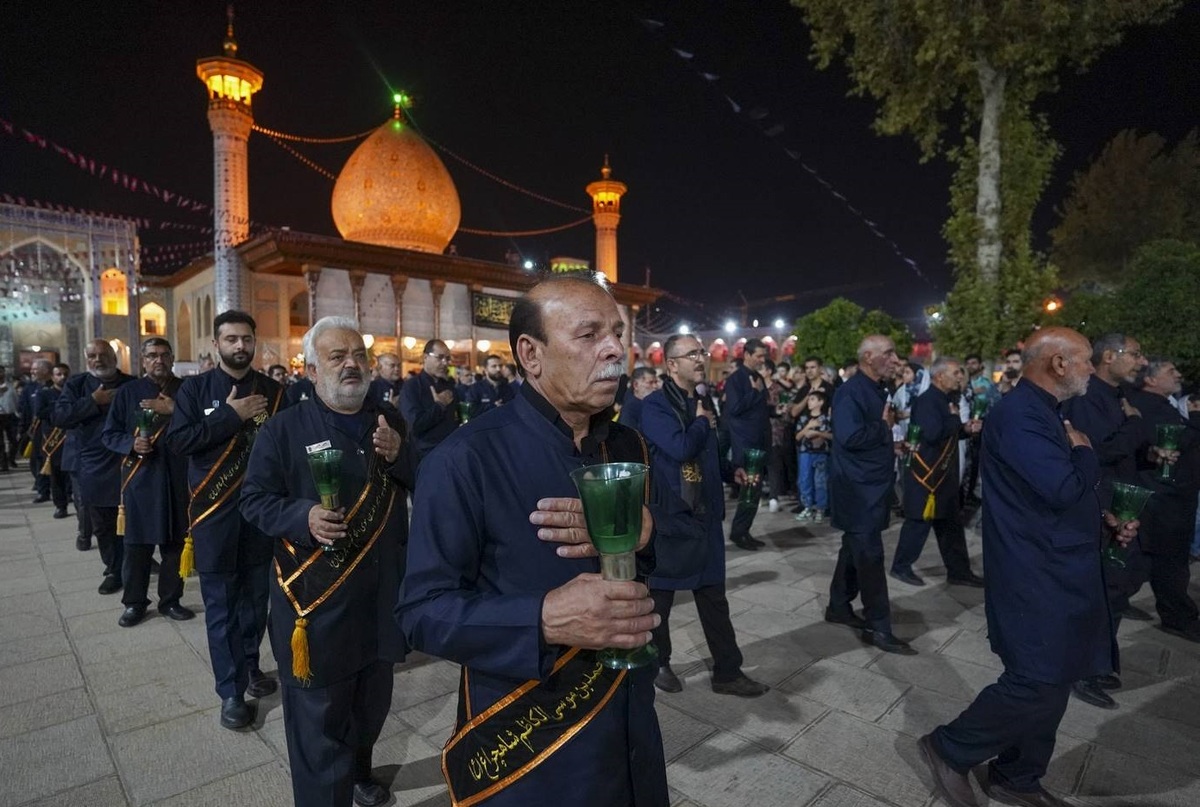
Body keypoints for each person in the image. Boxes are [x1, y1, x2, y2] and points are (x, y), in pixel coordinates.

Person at [399, 275, 698, 807]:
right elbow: (422, 611)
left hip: (632, 730)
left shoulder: (629, 446)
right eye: (588, 335)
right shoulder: (465, 459)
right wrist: (543, 618)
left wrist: (646, 530)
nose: (613, 349)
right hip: (530, 740)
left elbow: (687, 543)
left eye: (616, 333)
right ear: (530, 355)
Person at [918, 327, 1134, 807]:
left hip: (1062, 561)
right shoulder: (1020, 415)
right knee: (1036, 677)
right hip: (1035, 567)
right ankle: (949, 747)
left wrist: (1103, 519)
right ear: (1057, 363)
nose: (1089, 372)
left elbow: (1055, 494)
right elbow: (1059, 488)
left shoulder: (1047, 411)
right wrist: (1084, 453)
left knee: (1057, 674)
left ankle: (1017, 776)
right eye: (1082, 362)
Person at [242, 317, 416, 807]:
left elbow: (424, 480)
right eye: (337, 357)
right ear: (312, 370)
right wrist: (305, 516)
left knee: (372, 706)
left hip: (380, 599)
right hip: (317, 605)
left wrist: (401, 455)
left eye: (358, 354)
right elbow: (254, 501)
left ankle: (359, 769)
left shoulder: (390, 421)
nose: (352, 364)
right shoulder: (282, 429)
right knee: (319, 725)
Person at [165, 310, 285, 730]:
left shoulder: (274, 391)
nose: (240, 346)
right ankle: (230, 692)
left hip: (259, 515)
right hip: (214, 515)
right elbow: (179, 441)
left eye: (246, 339)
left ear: (255, 342)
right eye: (231, 339)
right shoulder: (195, 390)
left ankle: (250, 667)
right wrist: (230, 417)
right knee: (221, 608)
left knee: (255, 602)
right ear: (216, 344)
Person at [641, 333, 769, 699]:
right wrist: (700, 422)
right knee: (661, 597)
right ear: (671, 365)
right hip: (673, 516)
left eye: (702, 352)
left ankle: (727, 671)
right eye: (692, 354)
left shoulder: (701, 399)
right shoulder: (655, 406)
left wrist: (732, 472)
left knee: (714, 596)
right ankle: (658, 662)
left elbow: (707, 453)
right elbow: (681, 448)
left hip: (707, 515)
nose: (701, 358)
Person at [1060, 333, 1150, 708]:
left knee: (1119, 584)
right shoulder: (1087, 396)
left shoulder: (1116, 396)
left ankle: (1097, 662)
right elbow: (1101, 449)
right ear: (1109, 356)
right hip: (1101, 502)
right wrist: (1134, 425)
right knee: (1101, 587)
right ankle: (1082, 669)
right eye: (1135, 354)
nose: (1141, 362)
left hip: (1121, 500)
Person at [826, 335, 914, 654]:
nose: (895, 359)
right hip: (858, 490)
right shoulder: (851, 392)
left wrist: (889, 444)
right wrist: (884, 427)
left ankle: (838, 605)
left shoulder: (878, 389)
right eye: (888, 353)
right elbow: (849, 436)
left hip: (871, 485)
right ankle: (878, 626)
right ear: (868, 357)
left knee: (854, 548)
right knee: (871, 557)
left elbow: (866, 438)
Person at [101, 338, 194, 627]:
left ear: (173, 357)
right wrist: (131, 443)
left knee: (175, 546)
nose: (159, 360)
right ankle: (134, 603)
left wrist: (174, 409)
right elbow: (109, 433)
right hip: (141, 480)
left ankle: (170, 600)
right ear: (143, 361)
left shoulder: (187, 390)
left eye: (165, 355)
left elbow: (202, 427)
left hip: (178, 478)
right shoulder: (128, 392)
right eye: (152, 355)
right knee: (137, 548)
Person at [889, 357, 985, 588]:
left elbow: (947, 433)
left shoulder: (946, 399)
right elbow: (932, 434)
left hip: (944, 475)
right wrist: (955, 419)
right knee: (918, 523)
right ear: (939, 376)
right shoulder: (928, 401)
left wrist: (965, 429)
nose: (960, 377)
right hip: (928, 475)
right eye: (955, 373)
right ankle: (901, 566)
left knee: (950, 526)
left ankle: (959, 572)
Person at [1124, 359, 1200, 642]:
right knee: (1169, 562)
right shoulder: (1147, 405)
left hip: (1172, 495)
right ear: (1151, 380)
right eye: (1170, 371)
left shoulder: (1159, 403)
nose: (1178, 375)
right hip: (1165, 497)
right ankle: (1178, 617)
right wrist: (1195, 419)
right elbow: (1173, 441)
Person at [52, 340, 135, 594]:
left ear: (114, 356)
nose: (98, 359)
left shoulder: (132, 384)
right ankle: (113, 569)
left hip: (128, 460)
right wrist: (92, 401)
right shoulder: (77, 385)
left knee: (132, 519)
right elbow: (60, 417)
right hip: (94, 464)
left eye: (103, 354)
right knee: (103, 523)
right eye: (92, 355)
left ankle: (132, 564)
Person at [724, 338, 770, 550]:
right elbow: (734, 409)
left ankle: (744, 530)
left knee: (755, 490)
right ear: (747, 355)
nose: (762, 360)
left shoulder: (757, 376)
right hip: (746, 444)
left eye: (764, 356)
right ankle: (738, 532)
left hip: (759, 442)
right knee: (749, 490)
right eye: (759, 356)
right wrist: (753, 391)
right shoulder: (736, 379)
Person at [398, 339, 458, 462]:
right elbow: (414, 425)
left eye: (447, 359)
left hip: (451, 451)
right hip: (424, 455)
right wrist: (439, 406)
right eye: (440, 358)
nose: (445, 363)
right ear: (425, 357)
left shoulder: (448, 385)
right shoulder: (412, 386)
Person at [37, 363, 72, 519]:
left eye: (65, 374)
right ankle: (60, 505)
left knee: (72, 473)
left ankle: (72, 496)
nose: (62, 377)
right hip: (53, 440)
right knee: (56, 475)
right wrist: (59, 410)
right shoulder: (45, 394)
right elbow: (40, 412)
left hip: (70, 438)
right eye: (59, 374)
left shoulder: (73, 393)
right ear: (52, 376)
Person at [794, 388, 832, 523]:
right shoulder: (804, 419)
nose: (809, 402)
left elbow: (832, 436)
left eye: (812, 399)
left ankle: (820, 508)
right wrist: (808, 428)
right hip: (805, 453)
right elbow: (798, 437)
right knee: (804, 480)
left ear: (821, 402)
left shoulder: (826, 419)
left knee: (820, 481)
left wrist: (819, 434)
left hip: (821, 454)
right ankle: (807, 507)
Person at [18, 360, 53, 499]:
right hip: (36, 429)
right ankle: (42, 488)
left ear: (45, 370)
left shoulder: (54, 386)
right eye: (32, 369)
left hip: (52, 428)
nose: (32, 372)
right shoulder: (30, 388)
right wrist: (23, 428)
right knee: (37, 459)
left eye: (35, 369)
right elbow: (25, 409)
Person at [465, 353, 515, 417]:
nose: (498, 369)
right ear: (485, 369)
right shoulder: (476, 388)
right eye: (494, 366)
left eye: (500, 366)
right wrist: (492, 406)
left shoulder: (508, 388)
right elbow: (470, 411)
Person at [617, 366, 660, 432]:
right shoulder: (630, 409)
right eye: (650, 383)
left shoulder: (655, 404)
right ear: (636, 385)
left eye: (656, 382)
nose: (655, 386)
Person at [0, 365, 20, 471]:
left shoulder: (10, 386)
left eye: (2, 372)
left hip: (10, 415)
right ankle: (3, 464)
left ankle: (11, 459)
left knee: (14, 440)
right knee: (1, 442)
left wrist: (17, 412)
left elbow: (15, 400)